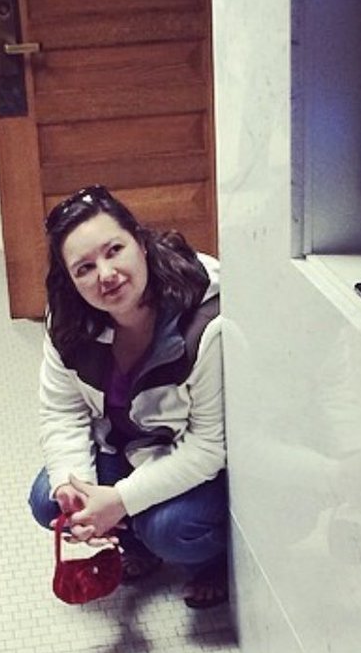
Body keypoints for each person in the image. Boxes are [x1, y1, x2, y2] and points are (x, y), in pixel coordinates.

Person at [27, 187, 229, 609]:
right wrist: (75, 490)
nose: (105, 275)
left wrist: (119, 501)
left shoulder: (206, 316)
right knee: (49, 498)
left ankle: (213, 561)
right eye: (84, 268)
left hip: (195, 458)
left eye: (114, 250)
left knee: (170, 528)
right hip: (126, 445)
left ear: (140, 240)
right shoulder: (67, 317)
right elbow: (63, 412)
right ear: (69, 279)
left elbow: (209, 447)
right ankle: (135, 542)